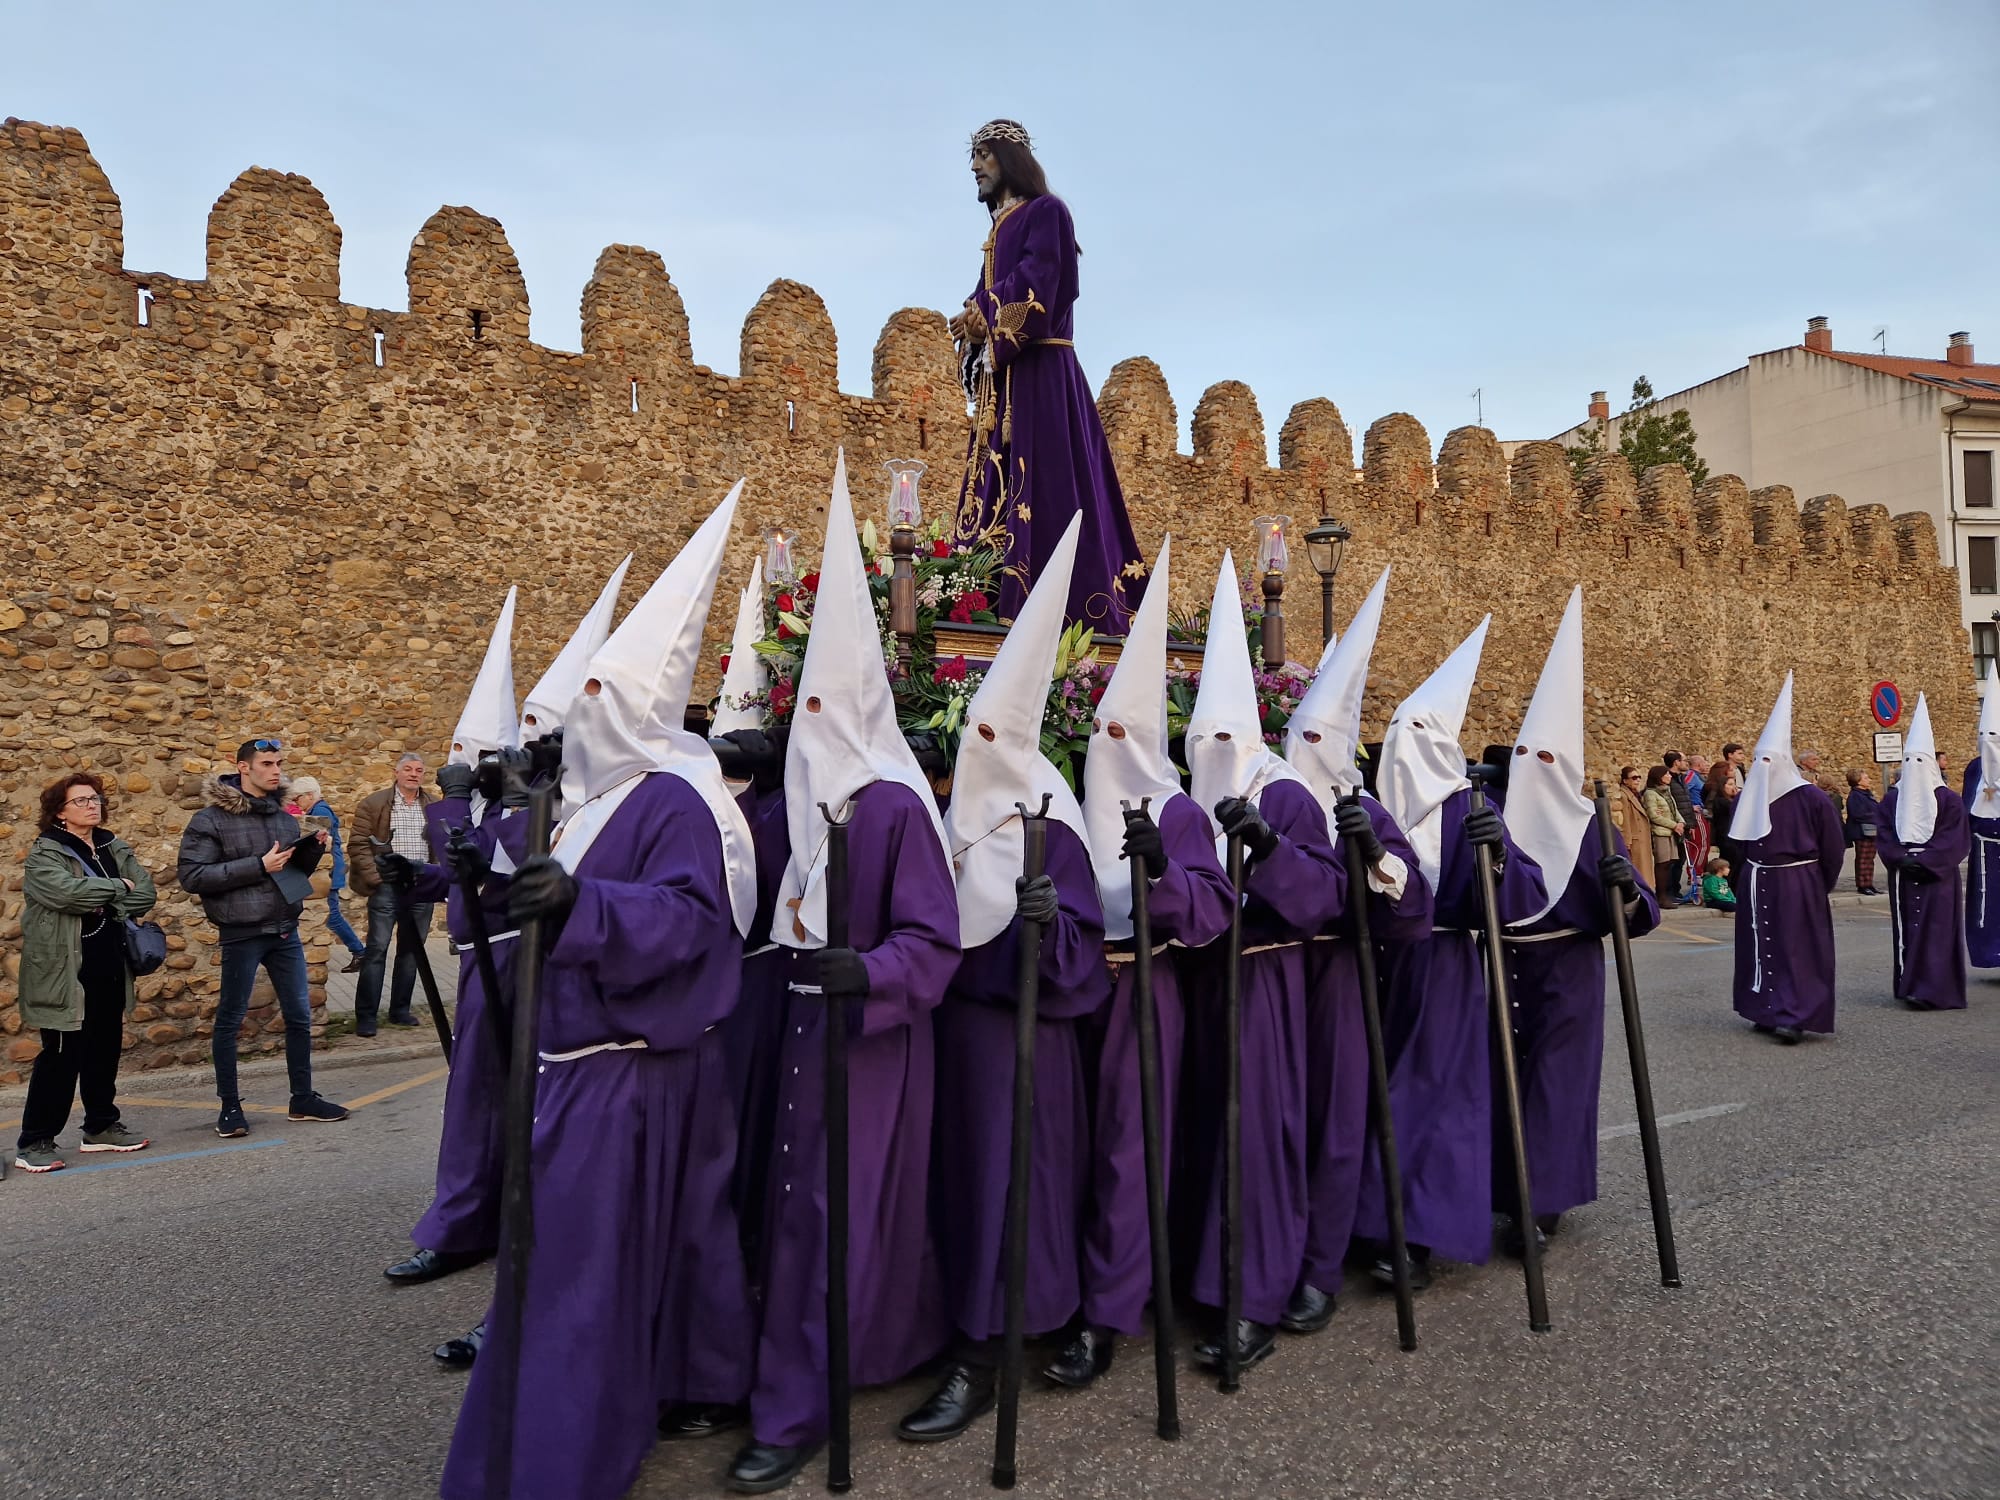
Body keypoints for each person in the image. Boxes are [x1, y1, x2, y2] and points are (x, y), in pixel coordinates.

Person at [440, 489, 759, 1500]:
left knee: (592, 1264)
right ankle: (658, 1383)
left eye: (595, 701)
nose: (580, 719)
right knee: (601, 1253)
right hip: (572, 1065)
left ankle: (564, 1444)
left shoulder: (671, 798)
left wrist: (583, 905)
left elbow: (688, 919)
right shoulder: (578, 809)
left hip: (627, 1069)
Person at [727, 457, 961, 1494]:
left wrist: (859, 971)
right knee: (788, 1199)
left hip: (868, 1044)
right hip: (795, 1026)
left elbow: (932, 941)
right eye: (802, 706)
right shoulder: (804, 807)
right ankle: (854, 1349)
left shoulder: (894, 808)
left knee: (839, 1204)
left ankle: (799, 1399)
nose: (813, 726)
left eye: (830, 705)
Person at [898, 514, 1108, 1440]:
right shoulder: (949, 823)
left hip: (1028, 1048)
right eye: (969, 728)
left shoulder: (1047, 824)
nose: (976, 744)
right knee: (964, 1189)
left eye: (995, 729)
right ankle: (973, 1327)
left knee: (1016, 1186)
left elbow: (1083, 961)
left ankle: (992, 1349)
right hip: (960, 1042)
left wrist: (1048, 923)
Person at [1059, 535, 1233, 1388]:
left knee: (1130, 1154)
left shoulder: (1176, 811)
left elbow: (1211, 910)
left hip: (1146, 991)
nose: (1108, 741)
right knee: (1071, 1148)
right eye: (1100, 727)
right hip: (1079, 987)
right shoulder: (1071, 799)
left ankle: (1107, 1315)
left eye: (1121, 728)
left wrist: (1161, 872)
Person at [1179, 551, 1347, 1372]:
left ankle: (1255, 1296)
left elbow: (1325, 895)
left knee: (1255, 1139)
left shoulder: (1279, 791)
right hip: (1197, 981)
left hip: (1266, 982)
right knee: (1205, 1131)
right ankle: (1201, 1281)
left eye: (1223, 734)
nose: (1210, 747)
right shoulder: (1180, 794)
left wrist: (1270, 848)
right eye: (1199, 734)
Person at [1355, 618, 1547, 1288]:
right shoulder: (1368, 804)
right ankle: (1368, 1219)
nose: (1406, 750)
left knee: (1429, 1097)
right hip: (1373, 966)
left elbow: (1526, 891)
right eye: (1399, 733)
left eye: (1420, 735)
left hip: (1441, 970)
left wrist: (1495, 859)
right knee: (1371, 1092)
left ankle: (1415, 1235)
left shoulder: (1470, 809)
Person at [1279, 565, 1431, 1333]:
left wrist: (1376, 858)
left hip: (1339, 980)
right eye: (1293, 735)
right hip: (1270, 981)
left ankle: (1318, 1268)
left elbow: (1411, 914)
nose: (1300, 750)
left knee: (1335, 1127)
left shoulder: (1361, 807)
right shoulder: (1265, 795)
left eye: (1315, 737)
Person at [1495, 589, 1659, 1256]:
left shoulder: (1592, 824)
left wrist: (1621, 889)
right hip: (1505, 967)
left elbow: (1640, 911)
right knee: (1503, 1078)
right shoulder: (1495, 822)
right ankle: (1501, 1188)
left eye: (1549, 760)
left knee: (1556, 1086)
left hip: (1567, 971)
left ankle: (1544, 1200)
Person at [948, 118, 1147, 629]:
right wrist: (972, 324)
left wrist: (986, 314)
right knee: (995, 489)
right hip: (1006, 385)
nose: (974, 167)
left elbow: (1043, 281)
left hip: (1042, 378)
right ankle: (984, 605)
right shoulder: (998, 229)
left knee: (1052, 487)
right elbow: (988, 294)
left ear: (1010, 160)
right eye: (973, 157)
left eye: (983, 155)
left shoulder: (1047, 212)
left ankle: (1072, 616)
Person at [176, 737, 347, 1131]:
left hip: (284, 928)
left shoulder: (283, 816)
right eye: (267, 764)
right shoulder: (209, 819)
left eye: (279, 764)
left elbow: (290, 873)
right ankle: (230, 1108)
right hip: (241, 931)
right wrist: (258, 864)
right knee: (230, 1020)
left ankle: (302, 1098)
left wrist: (312, 849)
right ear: (243, 768)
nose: (276, 771)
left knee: (300, 1017)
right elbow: (193, 877)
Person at [13, 773, 159, 1173]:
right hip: (63, 972)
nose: (92, 805)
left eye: (94, 798)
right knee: (61, 1056)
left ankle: (101, 1127)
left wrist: (109, 891)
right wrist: (117, 889)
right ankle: (35, 1141)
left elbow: (146, 892)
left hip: (110, 963)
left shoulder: (113, 845)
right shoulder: (47, 852)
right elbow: (63, 893)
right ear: (59, 811)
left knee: (104, 1049)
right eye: (80, 800)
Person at [1730, 675, 1844, 1044]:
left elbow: (1832, 847)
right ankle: (1762, 1007)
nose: (1763, 765)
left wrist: (1814, 884)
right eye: (1757, 759)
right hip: (1757, 877)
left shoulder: (1812, 798)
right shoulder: (1749, 796)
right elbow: (1736, 840)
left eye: (1769, 759)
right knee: (1759, 943)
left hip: (1798, 880)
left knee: (1797, 949)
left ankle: (1795, 1013)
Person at [1875, 695, 1969, 1011]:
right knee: (1908, 929)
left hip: (1937, 876)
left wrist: (1926, 861)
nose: (1913, 768)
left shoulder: (1949, 800)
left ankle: (1934, 989)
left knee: (1937, 930)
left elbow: (1954, 837)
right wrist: (1898, 857)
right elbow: (1885, 832)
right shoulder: (1892, 800)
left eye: (1920, 761)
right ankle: (1909, 984)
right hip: (1902, 873)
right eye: (1908, 761)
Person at [346, 751, 440, 1034]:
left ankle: (400, 1010)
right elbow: (359, 845)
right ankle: (366, 1016)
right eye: (408, 769)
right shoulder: (374, 804)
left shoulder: (433, 806)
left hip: (420, 885)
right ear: (396, 773)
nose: (414, 774)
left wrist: (436, 875)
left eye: (419, 770)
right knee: (377, 949)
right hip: (387, 886)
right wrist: (377, 878)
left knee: (412, 952)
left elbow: (443, 842)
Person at [284, 775, 363, 972]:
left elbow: (316, 837)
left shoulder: (320, 811)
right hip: (331, 872)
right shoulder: (319, 809)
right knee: (332, 915)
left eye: (298, 798)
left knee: (332, 916)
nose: (297, 803)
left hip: (329, 873)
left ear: (310, 795)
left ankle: (361, 952)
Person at [1962, 688, 2000, 968]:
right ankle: (1989, 954)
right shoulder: (1975, 768)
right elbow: (1967, 802)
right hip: (1983, 846)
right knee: (1987, 906)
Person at [1641, 766, 1685, 906]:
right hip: (1660, 833)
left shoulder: (1666, 792)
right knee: (1662, 864)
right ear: (1659, 776)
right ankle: (1661, 896)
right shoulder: (1651, 794)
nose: (1670, 776)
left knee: (1669, 863)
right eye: (1667, 774)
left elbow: (1674, 809)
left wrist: (1681, 822)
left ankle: (1666, 894)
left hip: (1670, 832)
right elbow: (1654, 815)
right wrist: (1674, 825)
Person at [1609, 766, 1657, 892]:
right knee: (1639, 871)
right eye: (1634, 778)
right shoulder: (1624, 796)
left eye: (1639, 777)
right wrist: (1627, 841)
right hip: (1635, 839)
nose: (1637, 780)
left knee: (1644, 871)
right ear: (1625, 781)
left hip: (1641, 838)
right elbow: (1625, 821)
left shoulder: (1635, 794)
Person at [1844, 769, 1882, 895]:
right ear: (1858, 781)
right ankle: (1862, 884)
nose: (1868, 780)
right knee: (1863, 859)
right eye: (1865, 778)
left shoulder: (1867, 794)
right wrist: (1875, 815)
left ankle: (1869, 883)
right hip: (1861, 831)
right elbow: (1858, 814)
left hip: (1871, 830)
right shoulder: (1855, 796)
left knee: (1869, 859)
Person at [1799, 747, 1844, 822]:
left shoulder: (1815, 774)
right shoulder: (1796, 775)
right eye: (1813, 759)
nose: (1817, 762)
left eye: (1817, 759)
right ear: (1803, 761)